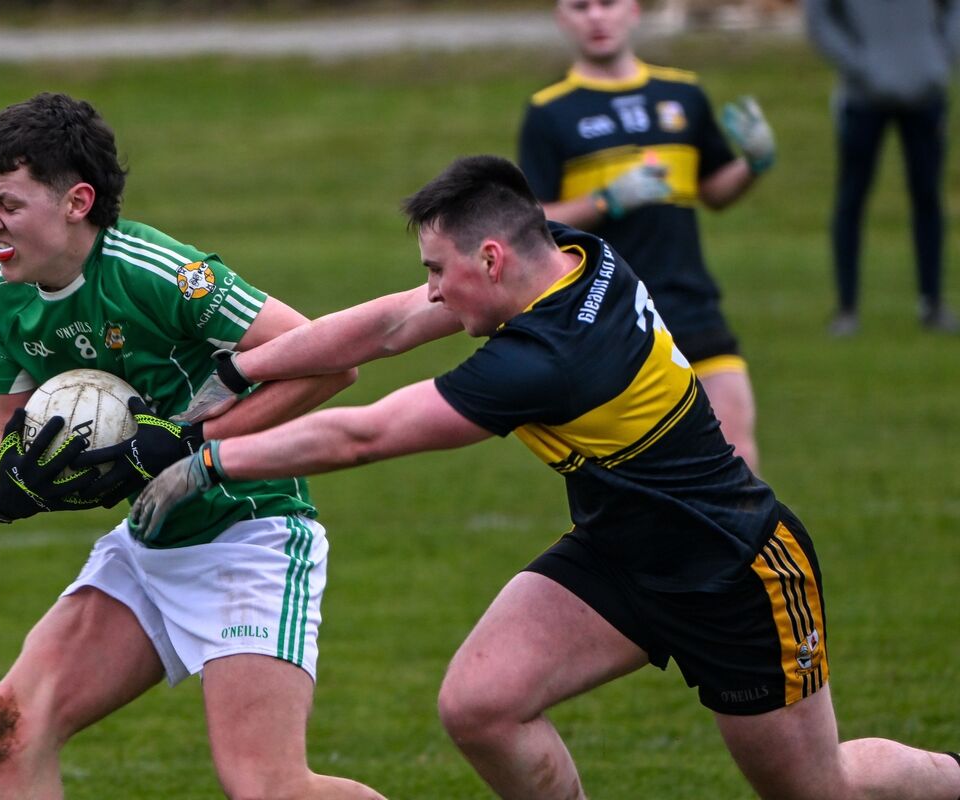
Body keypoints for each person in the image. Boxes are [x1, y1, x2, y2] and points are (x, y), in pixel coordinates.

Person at [138, 156, 960, 800]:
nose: (429, 288)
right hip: (618, 555)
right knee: (481, 705)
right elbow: (391, 323)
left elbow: (364, 434)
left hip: (733, 572)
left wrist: (207, 459)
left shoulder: (548, 360)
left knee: (821, 789)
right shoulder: (568, 255)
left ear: (490, 259)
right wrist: (239, 371)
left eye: (437, 268)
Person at [0, 92, 385, 800]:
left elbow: (327, 359)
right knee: (12, 724)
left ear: (76, 202)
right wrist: (5, 482)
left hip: (249, 534)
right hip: (151, 540)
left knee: (267, 786)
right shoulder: (2, 291)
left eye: (6, 203)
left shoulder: (160, 273)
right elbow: (4, 433)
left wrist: (189, 442)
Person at [516, 0, 776, 472]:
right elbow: (532, 222)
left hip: (692, 303)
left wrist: (752, 164)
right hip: (611, 315)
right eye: (580, 7)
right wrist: (606, 200)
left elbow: (714, 190)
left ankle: (750, 547)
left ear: (633, 11)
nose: (596, 17)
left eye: (608, 4)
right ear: (562, 19)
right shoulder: (550, 111)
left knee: (737, 453)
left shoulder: (683, 93)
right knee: (648, 471)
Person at [804, 0, 960, 336]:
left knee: (928, 196)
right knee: (851, 198)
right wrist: (859, 64)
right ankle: (847, 308)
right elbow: (820, 19)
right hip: (862, 97)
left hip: (926, 93)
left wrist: (939, 56)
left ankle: (931, 304)